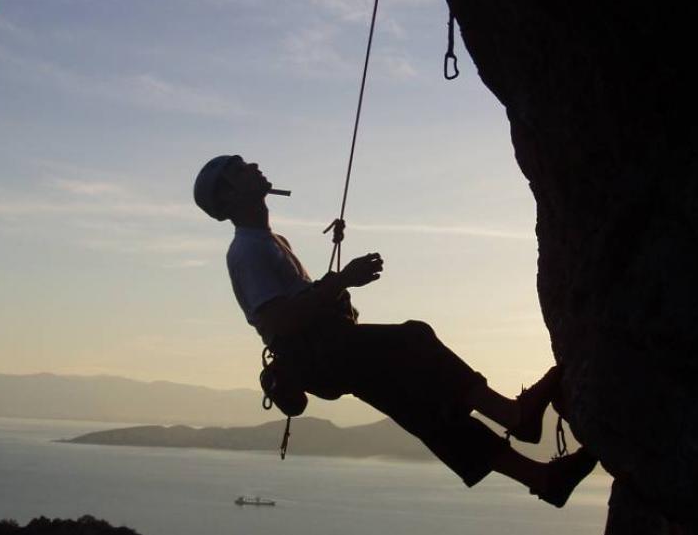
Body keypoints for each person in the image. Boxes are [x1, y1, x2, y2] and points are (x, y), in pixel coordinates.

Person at [194, 154, 597, 507]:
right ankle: (514, 414)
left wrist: (335, 287)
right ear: (228, 196)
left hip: (321, 354)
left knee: (423, 409)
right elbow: (276, 321)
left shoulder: (266, 240)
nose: (253, 167)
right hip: (318, 354)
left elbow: (292, 308)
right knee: (414, 340)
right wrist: (341, 281)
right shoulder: (247, 250)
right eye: (240, 168)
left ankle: (541, 478)